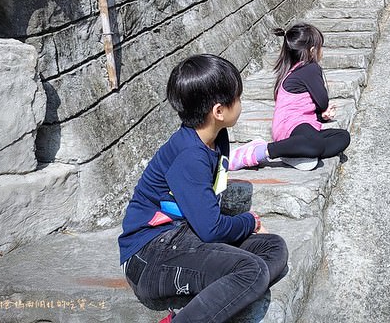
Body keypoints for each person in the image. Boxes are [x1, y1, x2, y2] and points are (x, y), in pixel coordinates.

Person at [118, 54, 288, 323]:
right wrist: (250, 221)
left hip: (186, 238)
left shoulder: (217, 137)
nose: (241, 103)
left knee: (274, 247)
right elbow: (212, 229)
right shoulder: (189, 156)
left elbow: (208, 220)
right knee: (252, 271)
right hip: (150, 256)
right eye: (239, 98)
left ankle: (228, 293)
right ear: (219, 111)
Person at [229, 23, 351, 171]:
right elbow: (322, 101)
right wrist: (323, 109)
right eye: (321, 47)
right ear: (312, 51)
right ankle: (261, 151)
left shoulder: (294, 70)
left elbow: (303, 107)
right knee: (316, 145)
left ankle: (295, 152)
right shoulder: (310, 68)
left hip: (298, 125)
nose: (322, 51)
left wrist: (321, 117)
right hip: (291, 126)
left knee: (343, 136)